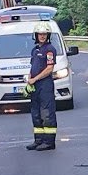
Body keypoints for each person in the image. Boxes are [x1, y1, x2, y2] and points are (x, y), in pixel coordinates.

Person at [24, 23, 60, 151]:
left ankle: (49, 142)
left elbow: (49, 69)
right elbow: (32, 66)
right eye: (40, 34)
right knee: (36, 113)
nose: (42, 36)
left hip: (45, 86)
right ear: (36, 35)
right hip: (34, 86)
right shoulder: (35, 50)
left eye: (44, 34)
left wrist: (35, 79)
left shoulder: (50, 50)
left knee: (46, 114)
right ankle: (38, 140)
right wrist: (29, 80)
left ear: (48, 35)